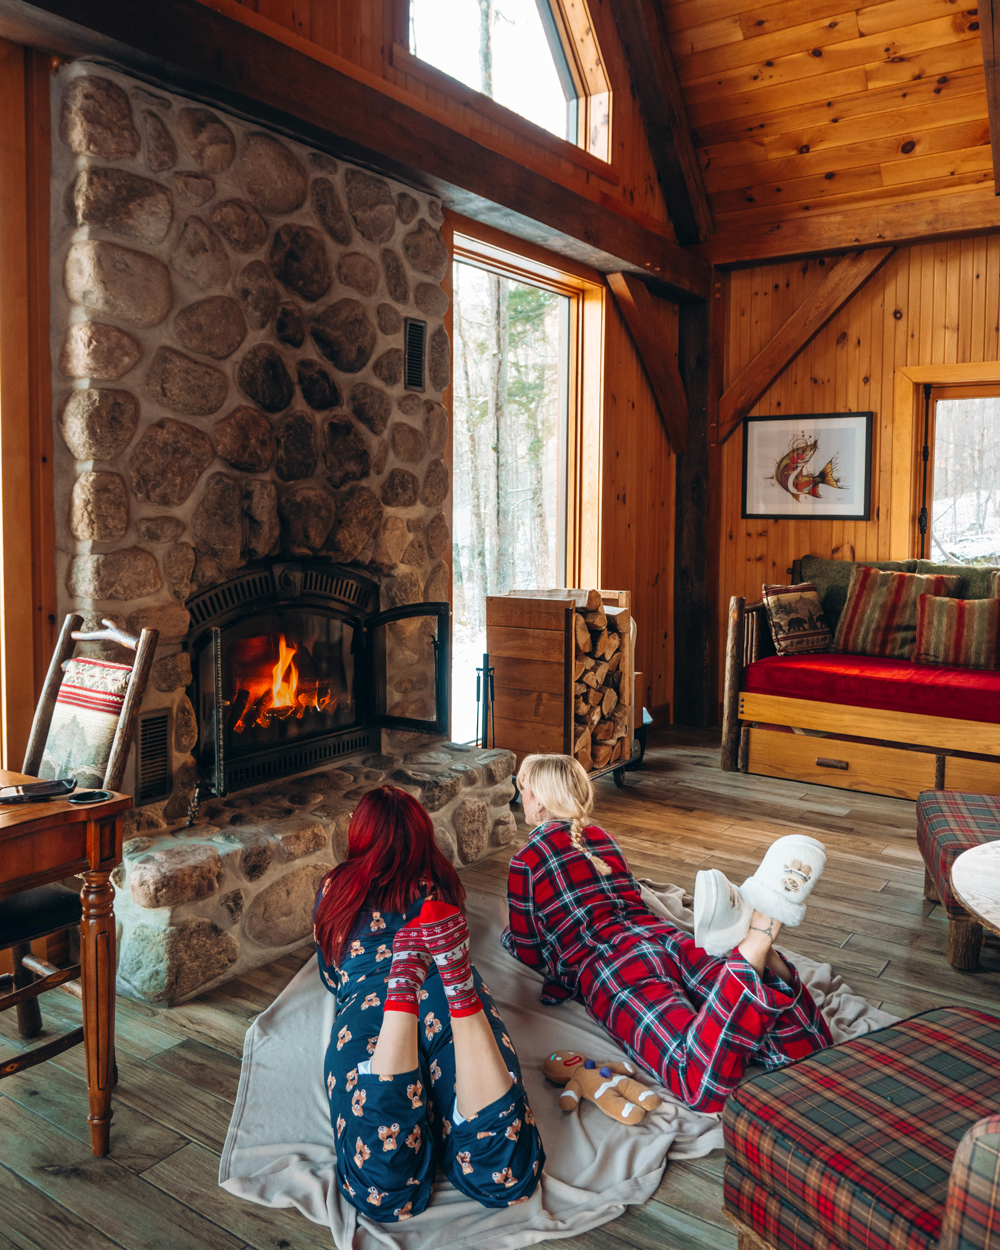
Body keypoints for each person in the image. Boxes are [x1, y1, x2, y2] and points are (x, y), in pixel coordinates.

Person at [503, 754, 832, 1114]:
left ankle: (752, 945)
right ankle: (761, 955)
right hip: (665, 938)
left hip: (611, 963)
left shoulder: (526, 860)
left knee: (693, 1076)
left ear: (538, 801)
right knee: (807, 1051)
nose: (522, 800)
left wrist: (510, 937)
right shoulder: (603, 838)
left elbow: (529, 950)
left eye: (524, 791)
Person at [314, 784, 544, 1222]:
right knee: (510, 1173)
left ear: (359, 833)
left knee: (382, 1188)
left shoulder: (336, 886)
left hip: (366, 991)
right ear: (422, 833)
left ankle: (401, 987)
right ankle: (457, 985)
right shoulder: (439, 883)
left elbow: (330, 973)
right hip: (439, 969)